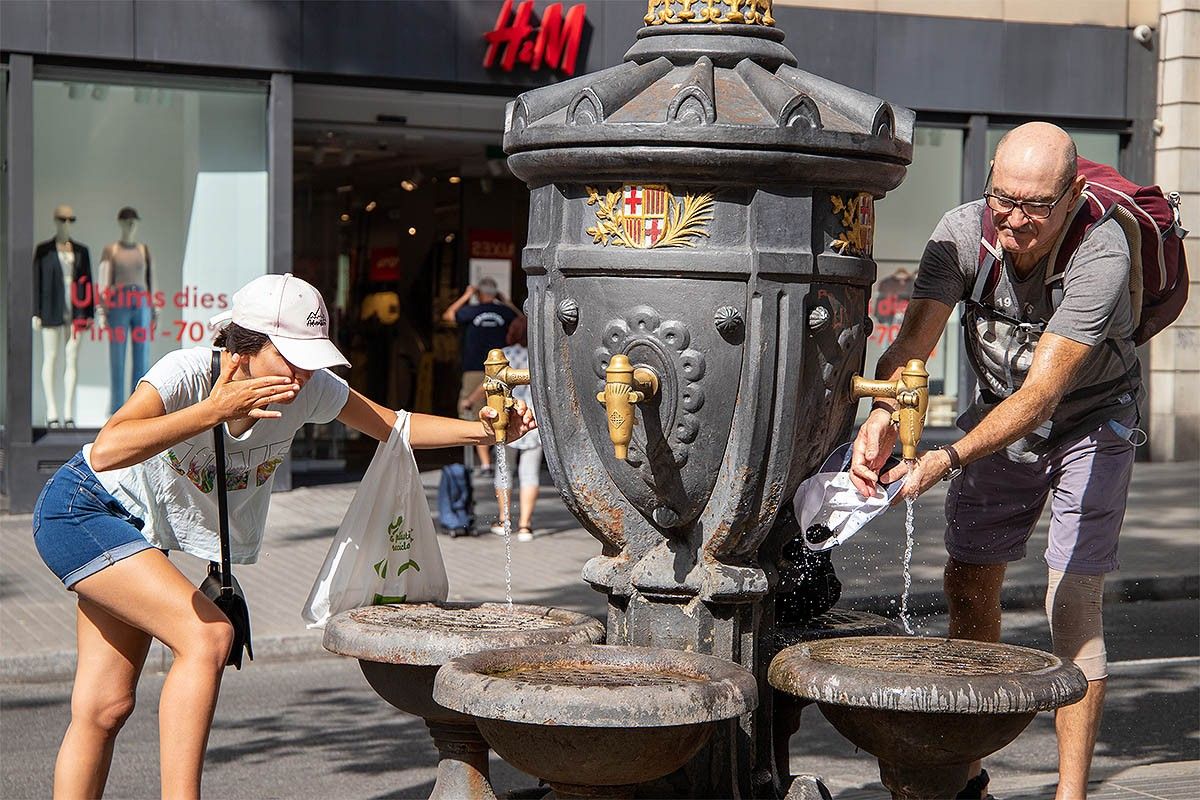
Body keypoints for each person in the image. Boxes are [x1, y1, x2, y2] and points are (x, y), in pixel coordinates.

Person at [30, 273, 535, 799]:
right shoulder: (185, 374)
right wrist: (213, 411)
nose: (301, 371)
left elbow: (394, 425)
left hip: (133, 532)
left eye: (309, 355)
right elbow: (108, 448)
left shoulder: (309, 387)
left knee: (104, 708)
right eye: (289, 355)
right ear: (245, 345)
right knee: (207, 637)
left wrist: (488, 430)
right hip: (82, 509)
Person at [849, 123, 1142, 800]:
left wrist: (943, 457)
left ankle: (1070, 794)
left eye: (1034, 205)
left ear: (1071, 195)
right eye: (1002, 198)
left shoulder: (1101, 251)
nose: (1012, 219)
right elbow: (911, 347)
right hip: (996, 412)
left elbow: (1042, 396)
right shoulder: (961, 233)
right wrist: (884, 415)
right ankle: (968, 772)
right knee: (969, 582)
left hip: (1092, 421)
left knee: (1072, 601)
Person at [464, 316, 543, 540]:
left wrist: (469, 400)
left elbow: (487, 384)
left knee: (504, 470)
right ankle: (526, 525)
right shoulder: (539, 356)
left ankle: (504, 519)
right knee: (529, 474)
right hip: (533, 421)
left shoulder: (503, 354)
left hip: (507, 420)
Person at [442, 277, 522, 476]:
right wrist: (507, 303)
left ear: (479, 293)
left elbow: (448, 315)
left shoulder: (472, 311)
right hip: (502, 367)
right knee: (503, 410)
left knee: (478, 414)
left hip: (474, 369)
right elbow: (524, 323)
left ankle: (486, 464)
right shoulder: (505, 312)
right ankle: (503, 460)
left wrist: (466, 296)